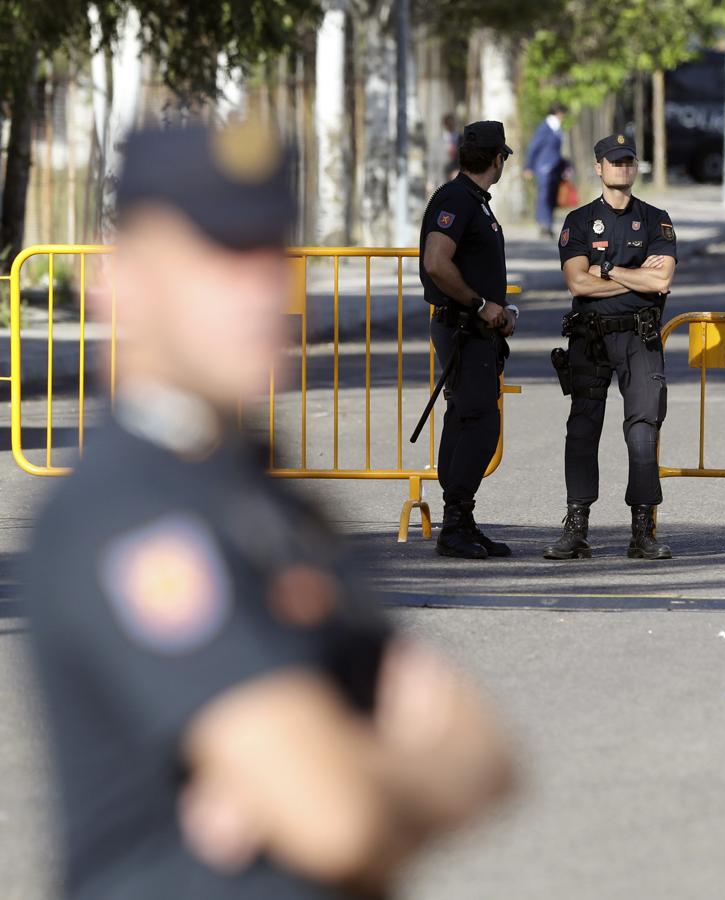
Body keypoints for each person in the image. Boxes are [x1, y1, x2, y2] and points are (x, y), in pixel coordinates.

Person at [22, 120, 513, 900]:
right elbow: (335, 820)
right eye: (218, 258)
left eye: (269, 253)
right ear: (122, 284)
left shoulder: (260, 494)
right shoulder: (126, 511)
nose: (260, 290)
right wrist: (362, 767)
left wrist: (322, 774)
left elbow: (485, 756)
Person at [545, 133, 677, 561]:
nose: (621, 167)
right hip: (590, 336)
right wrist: (632, 275)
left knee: (642, 431)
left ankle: (642, 531)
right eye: (613, 161)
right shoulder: (579, 221)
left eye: (628, 161)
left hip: (639, 337)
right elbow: (576, 281)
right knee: (583, 428)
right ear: (598, 168)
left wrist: (606, 269)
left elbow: (662, 281)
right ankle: (576, 527)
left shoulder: (656, 220)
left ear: (635, 167)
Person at [419, 120, 519, 559]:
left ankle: (460, 519)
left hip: (475, 328)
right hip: (464, 327)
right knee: (478, 422)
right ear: (498, 159)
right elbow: (436, 262)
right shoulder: (457, 199)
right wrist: (481, 305)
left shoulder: (470, 199)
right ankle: (455, 524)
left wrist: (496, 311)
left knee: (466, 417)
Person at [524, 103, 567, 237]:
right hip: (543, 168)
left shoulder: (557, 129)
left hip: (555, 168)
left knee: (552, 196)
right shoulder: (545, 128)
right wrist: (528, 166)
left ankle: (548, 224)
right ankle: (543, 224)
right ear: (558, 113)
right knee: (544, 196)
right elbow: (533, 147)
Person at [441, 113, 460, 181]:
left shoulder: (462, 139)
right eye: (448, 124)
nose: (450, 126)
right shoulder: (438, 141)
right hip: (442, 178)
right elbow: (433, 161)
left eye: (452, 124)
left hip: (458, 178)